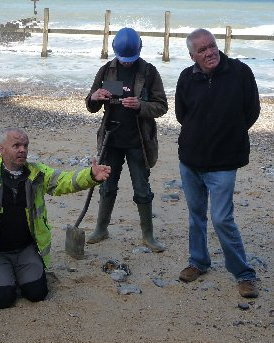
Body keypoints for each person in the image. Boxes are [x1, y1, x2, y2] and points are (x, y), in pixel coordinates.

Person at [0, 128, 111, 309]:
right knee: (3, 300)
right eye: (16, 145)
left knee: (37, 294)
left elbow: (64, 181)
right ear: (1, 148)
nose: (22, 149)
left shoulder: (36, 173)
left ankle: (21, 271)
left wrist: (91, 176)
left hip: (25, 249)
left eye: (25, 145)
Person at [175, 28, 260, 298]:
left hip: (224, 162)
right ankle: (198, 262)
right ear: (192, 56)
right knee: (196, 216)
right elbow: (181, 114)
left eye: (212, 46)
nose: (210, 52)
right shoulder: (186, 78)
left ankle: (243, 273)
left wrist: (229, 135)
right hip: (190, 160)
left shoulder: (240, 72)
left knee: (222, 218)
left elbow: (252, 111)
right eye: (202, 50)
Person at [85, 27, 168, 252]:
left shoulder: (149, 72)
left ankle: (148, 235)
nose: (128, 63)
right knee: (107, 187)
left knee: (142, 188)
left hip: (139, 142)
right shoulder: (106, 70)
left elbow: (162, 106)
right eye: (124, 59)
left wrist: (141, 106)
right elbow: (91, 104)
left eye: (131, 59)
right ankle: (101, 229)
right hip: (111, 140)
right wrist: (94, 97)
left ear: (139, 51)